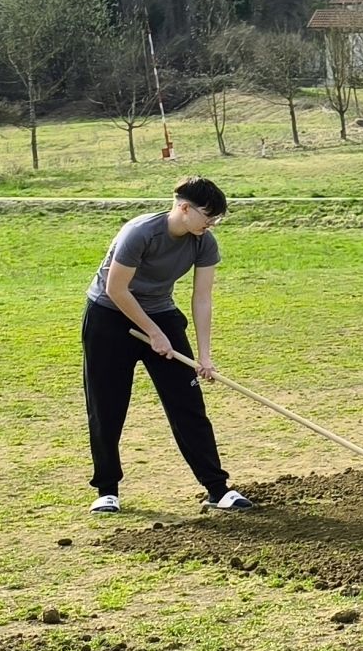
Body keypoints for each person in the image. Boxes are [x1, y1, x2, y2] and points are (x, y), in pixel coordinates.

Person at [82, 179, 250, 515]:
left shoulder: (203, 242)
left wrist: (204, 357)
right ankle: (107, 490)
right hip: (109, 317)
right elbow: (117, 289)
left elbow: (202, 298)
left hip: (161, 312)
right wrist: (154, 333)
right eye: (208, 216)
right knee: (107, 406)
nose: (211, 224)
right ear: (184, 208)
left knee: (187, 404)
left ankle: (217, 489)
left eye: (216, 219)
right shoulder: (140, 233)